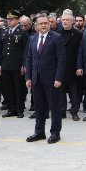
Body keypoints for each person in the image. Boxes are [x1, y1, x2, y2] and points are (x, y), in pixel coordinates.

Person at [24, 13, 66, 144]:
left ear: (49, 24)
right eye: (40, 23)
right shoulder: (33, 39)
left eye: (45, 23)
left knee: (54, 107)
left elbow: (61, 60)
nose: (43, 25)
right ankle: (39, 132)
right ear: (36, 26)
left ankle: (55, 133)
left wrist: (58, 78)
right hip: (36, 79)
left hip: (52, 80)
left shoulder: (57, 38)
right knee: (39, 108)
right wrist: (28, 77)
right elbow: (30, 59)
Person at [0, 10, 28, 119]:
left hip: (17, 65)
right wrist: (0, 64)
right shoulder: (5, 31)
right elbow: (2, 49)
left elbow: (26, 50)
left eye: (11, 19)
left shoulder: (22, 32)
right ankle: (11, 109)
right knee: (8, 88)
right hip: (6, 64)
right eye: (8, 19)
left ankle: (19, 109)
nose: (8, 21)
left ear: (17, 20)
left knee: (18, 88)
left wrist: (24, 64)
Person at [59, 11, 83, 121]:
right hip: (60, 68)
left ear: (72, 21)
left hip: (73, 68)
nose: (65, 22)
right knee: (60, 91)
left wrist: (79, 67)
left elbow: (80, 52)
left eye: (67, 20)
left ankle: (74, 111)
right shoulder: (57, 33)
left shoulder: (78, 34)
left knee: (74, 92)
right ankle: (62, 111)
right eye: (63, 20)